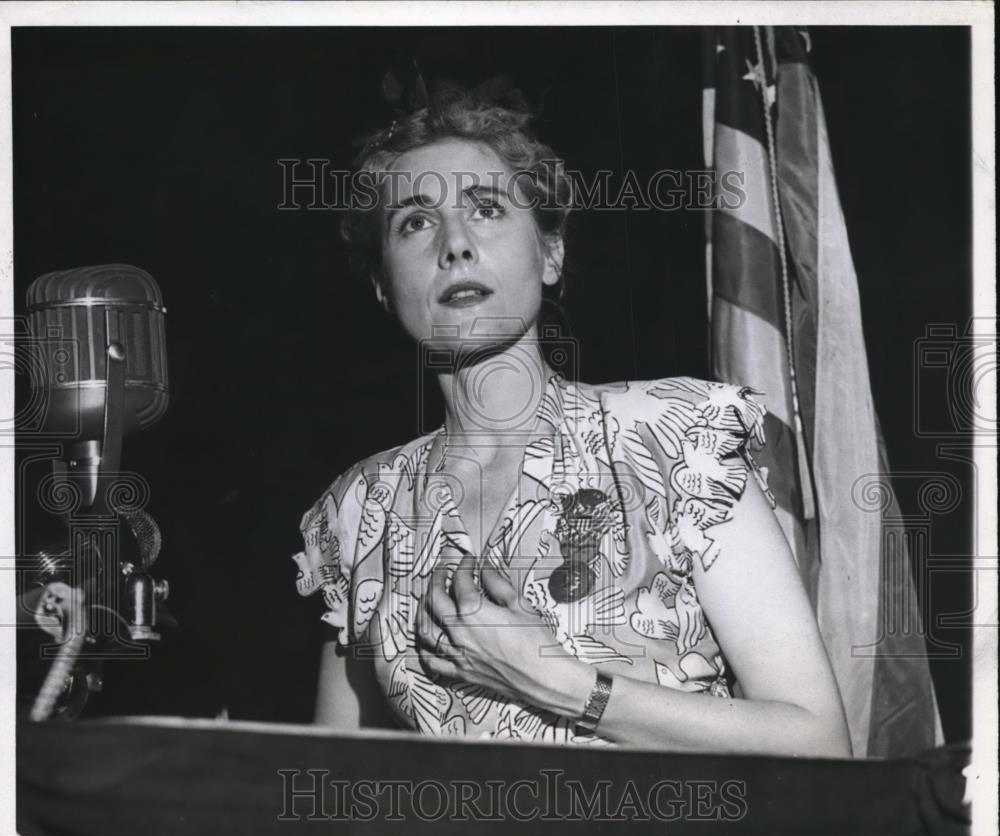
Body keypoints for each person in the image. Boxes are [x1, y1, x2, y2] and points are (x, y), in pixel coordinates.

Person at [293, 91, 851, 756]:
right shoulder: (359, 509)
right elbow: (342, 784)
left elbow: (819, 744)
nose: (456, 246)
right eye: (415, 223)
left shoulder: (674, 436)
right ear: (384, 285)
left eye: (488, 209)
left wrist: (558, 682)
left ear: (550, 254)